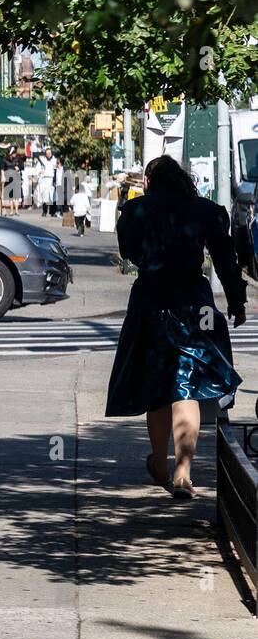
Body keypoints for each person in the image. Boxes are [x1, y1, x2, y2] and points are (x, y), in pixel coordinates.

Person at [106, 155, 247, 499]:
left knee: (157, 386)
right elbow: (227, 260)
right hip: (193, 302)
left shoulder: (135, 210)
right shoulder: (206, 210)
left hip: (151, 300)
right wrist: (237, 302)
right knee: (189, 386)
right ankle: (184, 471)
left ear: (151, 180)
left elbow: (128, 252)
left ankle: (159, 460)